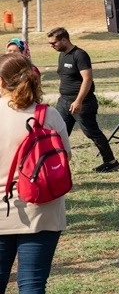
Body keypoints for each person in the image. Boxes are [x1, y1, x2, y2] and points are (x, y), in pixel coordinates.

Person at [0, 53, 70, 293]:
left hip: (1, 211)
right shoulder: (49, 115)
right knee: (32, 284)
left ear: (1, 82)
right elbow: (64, 158)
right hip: (43, 210)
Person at [47, 27, 119, 173]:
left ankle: (111, 162)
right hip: (64, 101)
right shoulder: (62, 55)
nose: (52, 46)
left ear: (64, 39)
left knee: (91, 132)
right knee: (58, 133)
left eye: (54, 43)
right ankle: (56, 164)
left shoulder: (80, 55)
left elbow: (87, 79)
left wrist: (79, 101)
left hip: (82, 102)